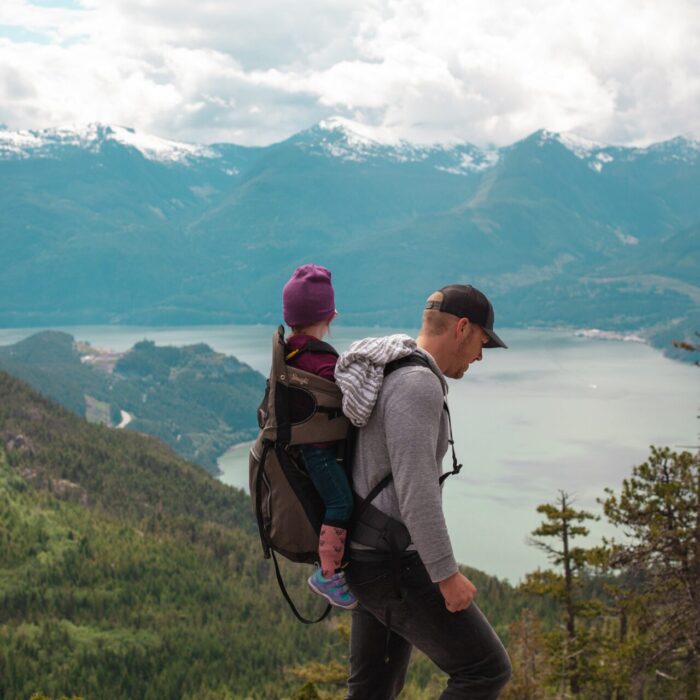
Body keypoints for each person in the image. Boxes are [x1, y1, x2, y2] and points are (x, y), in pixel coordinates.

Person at [335, 284, 512, 700]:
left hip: (367, 555)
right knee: (485, 669)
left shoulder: (390, 369)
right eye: (482, 343)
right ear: (463, 328)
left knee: (371, 692)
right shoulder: (418, 384)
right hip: (392, 564)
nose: (480, 357)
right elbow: (416, 491)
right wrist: (446, 575)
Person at [282, 264, 357, 610]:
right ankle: (327, 574)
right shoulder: (322, 362)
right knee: (341, 503)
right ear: (330, 315)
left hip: (302, 448)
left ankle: (330, 566)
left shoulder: (290, 352)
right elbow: (350, 399)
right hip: (321, 452)